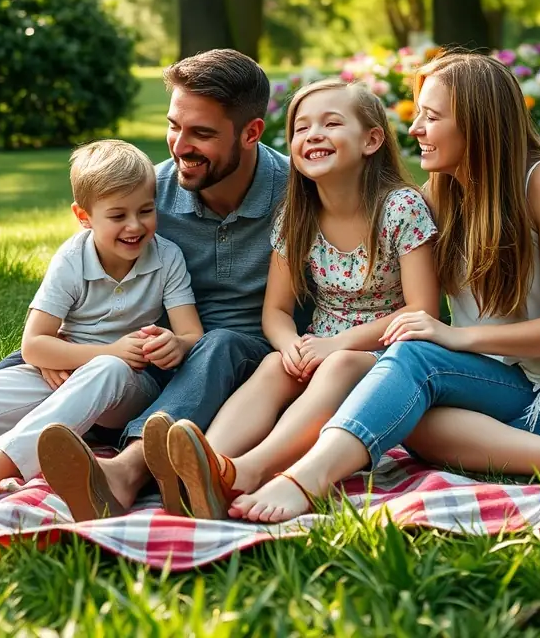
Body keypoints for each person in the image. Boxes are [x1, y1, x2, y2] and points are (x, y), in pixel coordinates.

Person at [226, 51, 540, 523]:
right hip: (503, 389)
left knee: (411, 357)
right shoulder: (440, 195)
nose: (414, 130)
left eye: (431, 117)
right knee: (401, 411)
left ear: (476, 121)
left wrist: (453, 335)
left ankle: (303, 479)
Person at [160, 79, 440, 518]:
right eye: (300, 128)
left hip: (390, 353)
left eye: (330, 123)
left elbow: (422, 307)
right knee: (275, 365)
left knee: (341, 363)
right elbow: (275, 311)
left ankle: (250, 469)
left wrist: (335, 346)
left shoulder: (399, 207)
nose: (312, 135)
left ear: (372, 139)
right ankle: (203, 465)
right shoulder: (298, 214)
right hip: (317, 347)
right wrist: (290, 344)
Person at [35, 49, 289, 520]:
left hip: (255, 362)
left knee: (220, 344)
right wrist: (62, 347)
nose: (179, 145)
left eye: (202, 133)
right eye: (174, 125)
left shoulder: (298, 194)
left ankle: (127, 471)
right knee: (29, 360)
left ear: (252, 132)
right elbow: (89, 270)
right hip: (161, 356)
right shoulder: (148, 196)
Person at [0, 140, 203, 519]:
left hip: (129, 392)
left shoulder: (167, 258)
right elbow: (34, 346)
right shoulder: (72, 260)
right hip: (64, 373)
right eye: (117, 215)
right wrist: (105, 351)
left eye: (145, 210)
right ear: (84, 216)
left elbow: (192, 335)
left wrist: (175, 343)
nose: (135, 225)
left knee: (108, 369)